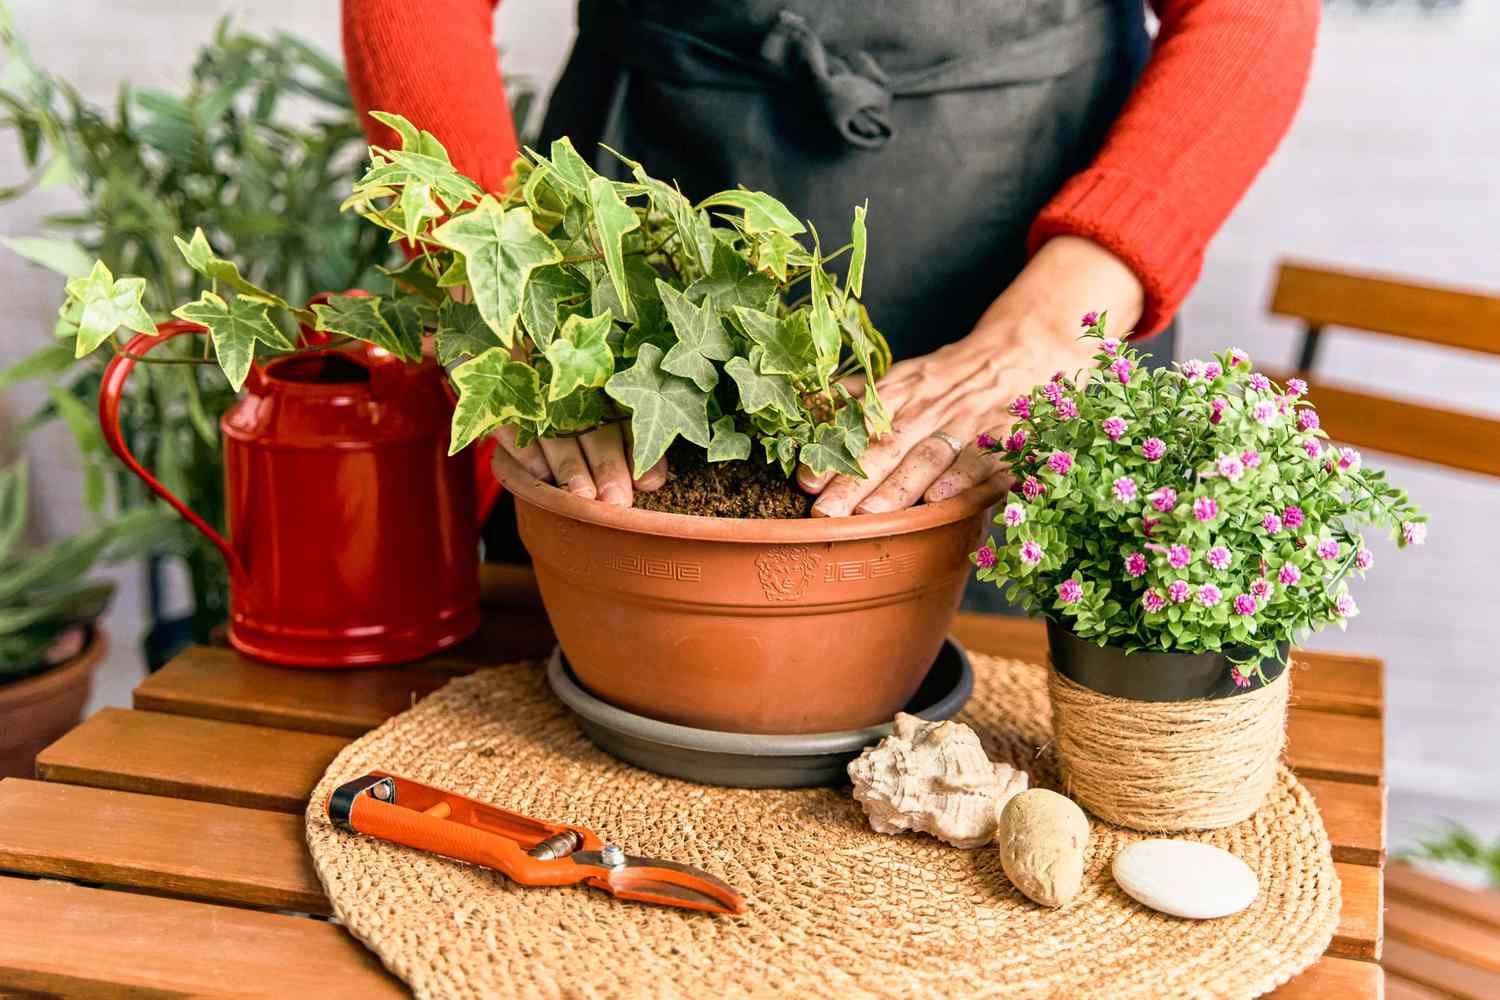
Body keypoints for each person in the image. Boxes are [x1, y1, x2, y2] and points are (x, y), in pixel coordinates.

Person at [343, 0, 1318, 518]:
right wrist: (500, 283)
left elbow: (1252, 14)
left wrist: (1055, 321)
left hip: (1038, 264)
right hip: (626, 269)